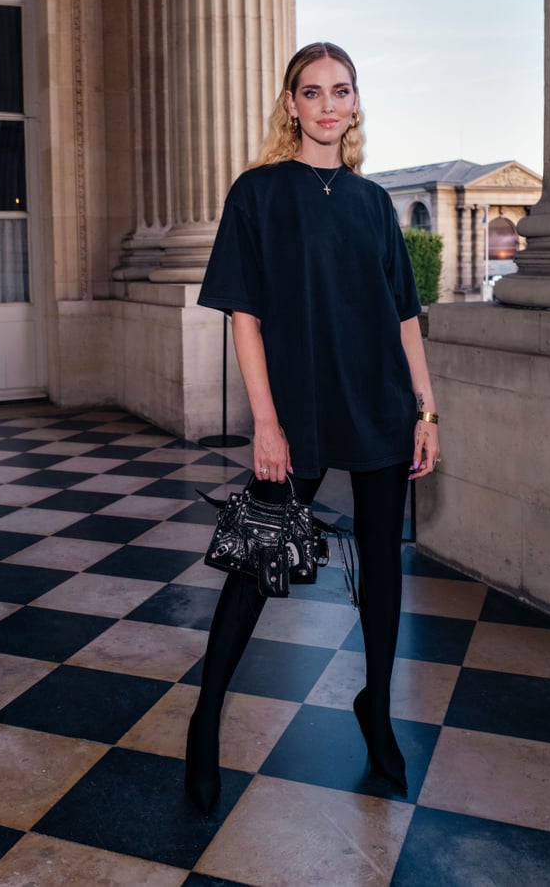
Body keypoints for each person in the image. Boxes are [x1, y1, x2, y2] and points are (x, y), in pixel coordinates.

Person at [185, 41, 440, 815]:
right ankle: (204, 721)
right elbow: (245, 318)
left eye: (342, 90)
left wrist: (426, 409)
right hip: (294, 409)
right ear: (290, 104)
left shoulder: (372, 205)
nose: (328, 104)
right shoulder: (257, 193)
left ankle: (376, 711)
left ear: (355, 103)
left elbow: (404, 315)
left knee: (385, 573)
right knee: (253, 562)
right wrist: (266, 423)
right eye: (312, 91)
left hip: (380, 405)